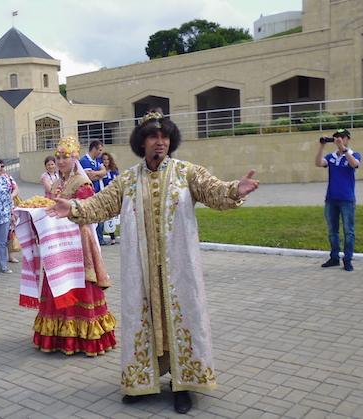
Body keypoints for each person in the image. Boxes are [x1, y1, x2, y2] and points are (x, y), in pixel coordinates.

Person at [47, 111, 259, 413]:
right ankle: (142, 380)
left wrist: (233, 191)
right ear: (141, 142)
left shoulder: (187, 173)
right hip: (141, 269)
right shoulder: (129, 180)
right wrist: (74, 207)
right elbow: (101, 204)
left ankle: (183, 384)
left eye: (164, 136)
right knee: (142, 318)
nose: (159, 142)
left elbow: (214, 191)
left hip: (179, 270)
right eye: (152, 136)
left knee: (183, 317)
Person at [32, 136, 116, 356]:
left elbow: (88, 212)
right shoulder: (57, 183)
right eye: (58, 157)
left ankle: (84, 334)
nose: (60, 161)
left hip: (78, 242)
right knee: (57, 282)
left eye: (65, 157)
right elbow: (50, 206)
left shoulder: (82, 182)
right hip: (57, 243)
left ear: (74, 158)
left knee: (78, 284)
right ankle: (59, 335)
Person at [315, 128, 362, 272]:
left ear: (348, 139)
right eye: (336, 137)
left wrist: (343, 149)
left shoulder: (354, 154)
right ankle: (334, 257)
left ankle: (347, 259)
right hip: (331, 199)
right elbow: (318, 163)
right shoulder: (331, 157)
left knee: (349, 231)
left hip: (347, 199)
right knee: (332, 231)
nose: (339, 139)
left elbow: (355, 164)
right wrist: (321, 146)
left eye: (342, 137)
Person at [79, 140, 107, 245]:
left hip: (100, 191)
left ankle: (99, 238)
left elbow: (104, 171)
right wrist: (99, 174)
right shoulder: (85, 160)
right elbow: (90, 176)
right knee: (94, 217)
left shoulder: (97, 160)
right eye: (99, 150)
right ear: (94, 148)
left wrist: (98, 173)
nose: (100, 152)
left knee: (101, 216)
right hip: (91, 194)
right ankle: (95, 240)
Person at [100, 152, 119, 244]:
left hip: (113, 196)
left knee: (112, 216)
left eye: (107, 159)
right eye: (104, 159)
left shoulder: (114, 170)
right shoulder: (100, 170)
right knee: (105, 216)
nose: (106, 161)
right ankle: (103, 236)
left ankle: (113, 236)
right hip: (104, 196)